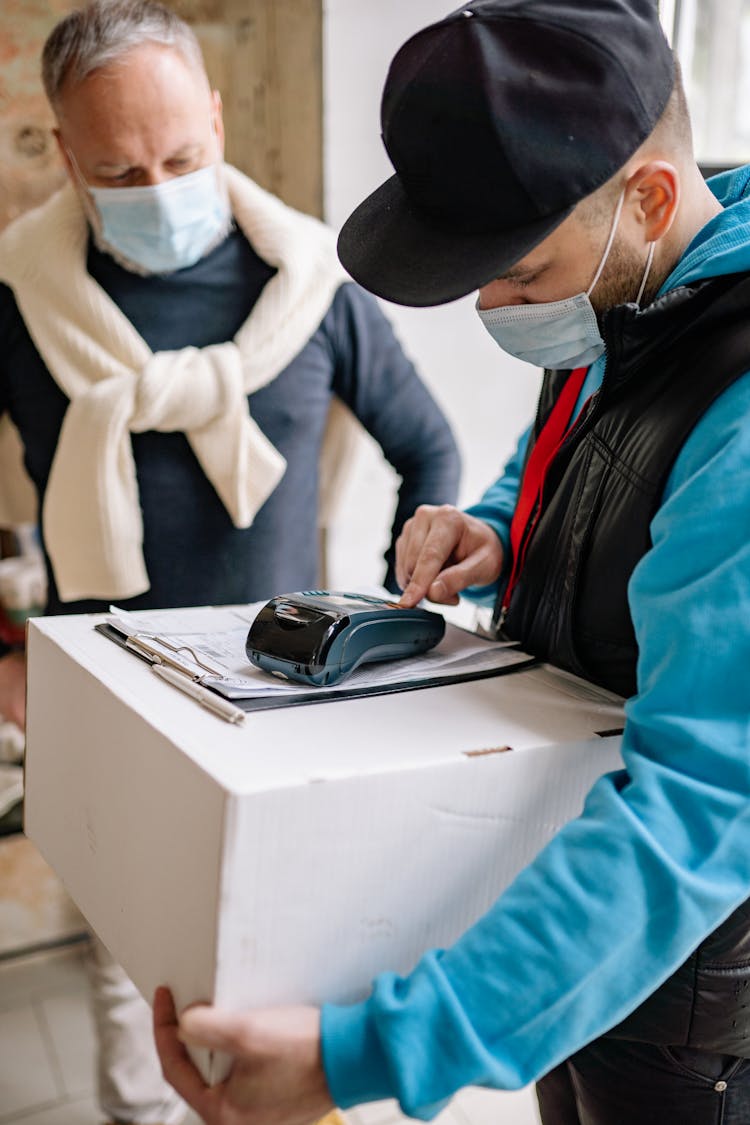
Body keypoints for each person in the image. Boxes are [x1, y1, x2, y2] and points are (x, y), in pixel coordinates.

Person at [152, 2, 750, 1124]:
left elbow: (706, 805)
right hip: (574, 933)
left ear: (651, 199)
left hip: (694, 1001)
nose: (495, 310)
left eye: (520, 272)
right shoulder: (634, 289)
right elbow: (569, 445)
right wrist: (496, 523)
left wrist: (362, 1057)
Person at [0, 2, 461, 1123]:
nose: (157, 185)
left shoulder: (308, 283)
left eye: (181, 155)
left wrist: (395, 621)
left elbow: (429, 449)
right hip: (106, 703)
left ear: (216, 116)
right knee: (136, 1010)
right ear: (63, 153)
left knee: (287, 999)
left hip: (283, 706)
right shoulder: (20, 298)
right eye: (117, 166)